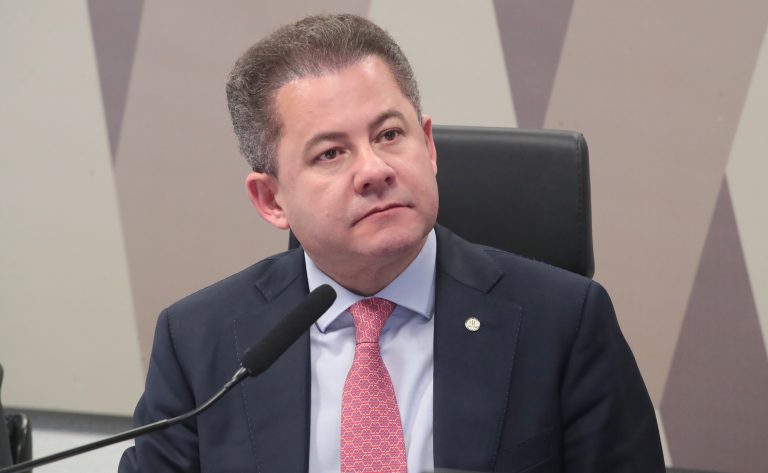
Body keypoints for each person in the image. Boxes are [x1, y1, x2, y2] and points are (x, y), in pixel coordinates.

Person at [119, 13, 664, 473]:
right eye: (330, 153)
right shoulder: (200, 342)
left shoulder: (564, 322)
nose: (374, 170)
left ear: (428, 146)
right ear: (271, 199)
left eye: (389, 135)